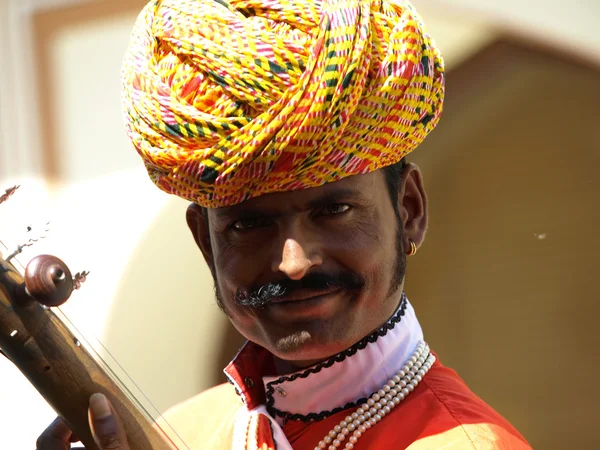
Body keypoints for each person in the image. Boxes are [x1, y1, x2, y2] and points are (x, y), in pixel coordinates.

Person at [36, 0, 532, 449]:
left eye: (333, 211)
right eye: (248, 225)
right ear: (205, 245)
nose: (293, 263)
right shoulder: (185, 432)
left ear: (409, 211)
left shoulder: (466, 444)